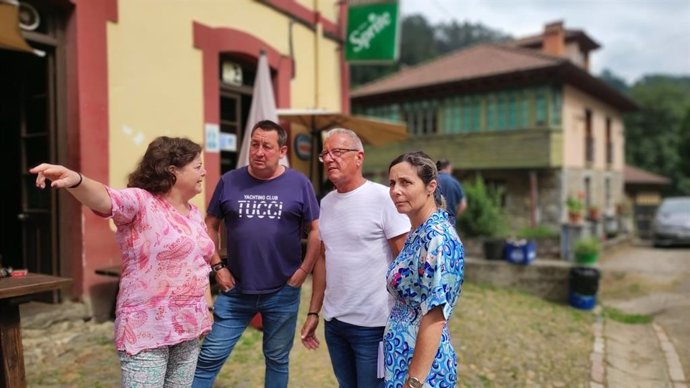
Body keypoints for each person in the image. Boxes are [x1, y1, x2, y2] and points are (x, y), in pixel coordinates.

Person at [30, 137, 215, 387]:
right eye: (197, 166)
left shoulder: (193, 213)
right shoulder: (141, 202)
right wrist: (77, 180)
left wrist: (208, 308)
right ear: (173, 171)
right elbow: (107, 200)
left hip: (188, 327)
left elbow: (198, 264)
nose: (204, 171)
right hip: (148, 329)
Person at [193, 120, 320, 388]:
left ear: (282, 150)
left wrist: (303, 271)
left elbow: (315, 231)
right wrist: (217, 266)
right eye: (254, 144)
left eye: (267, 146)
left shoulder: (299, 184)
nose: (259, 152)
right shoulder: (230, 181)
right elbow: (210, 224)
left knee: (277, 359)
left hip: (282, 291)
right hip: (235, 289)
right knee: (209, 356)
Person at [300, 128, 410, 388]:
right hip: (335, 323)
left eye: (337, 152)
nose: (328, 159)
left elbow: (404, 260)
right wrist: (314, 311)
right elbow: (323, 260)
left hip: (374, 326)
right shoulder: (325, 204)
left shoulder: (384, 198)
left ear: (359, 157)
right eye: (324, 154)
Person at [386, 151, 465, 388]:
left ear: (431, 186)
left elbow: (435, 315)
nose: (395, 190)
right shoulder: (417, 231)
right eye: (392, 183)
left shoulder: (437, 237)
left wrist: (414, 382)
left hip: (421, 369)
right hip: (401, 357)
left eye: (406, 182)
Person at [435, 159, 466, 226]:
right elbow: (463, 205)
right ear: (449, 167)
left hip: (434, 219)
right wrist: (455, 216)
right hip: (450, 219)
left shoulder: (433, 180)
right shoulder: (454, 182)